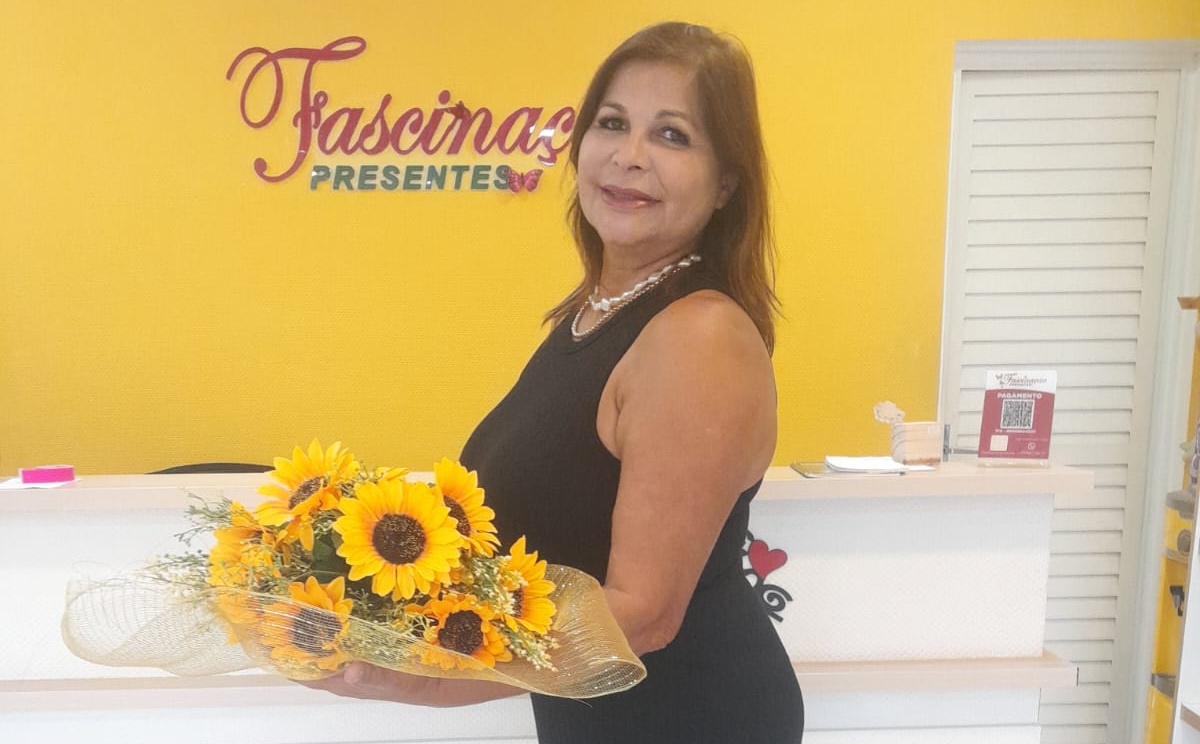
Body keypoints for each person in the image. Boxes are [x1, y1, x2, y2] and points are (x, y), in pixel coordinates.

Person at [305, 21, 804, 743]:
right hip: (594, 716)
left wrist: (414, 676)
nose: (630, 156)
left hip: (688, 718)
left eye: (672, 135)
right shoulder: (591, 318)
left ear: (726, 181)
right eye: (612, 123)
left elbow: (643, 615)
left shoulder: (698, 338)